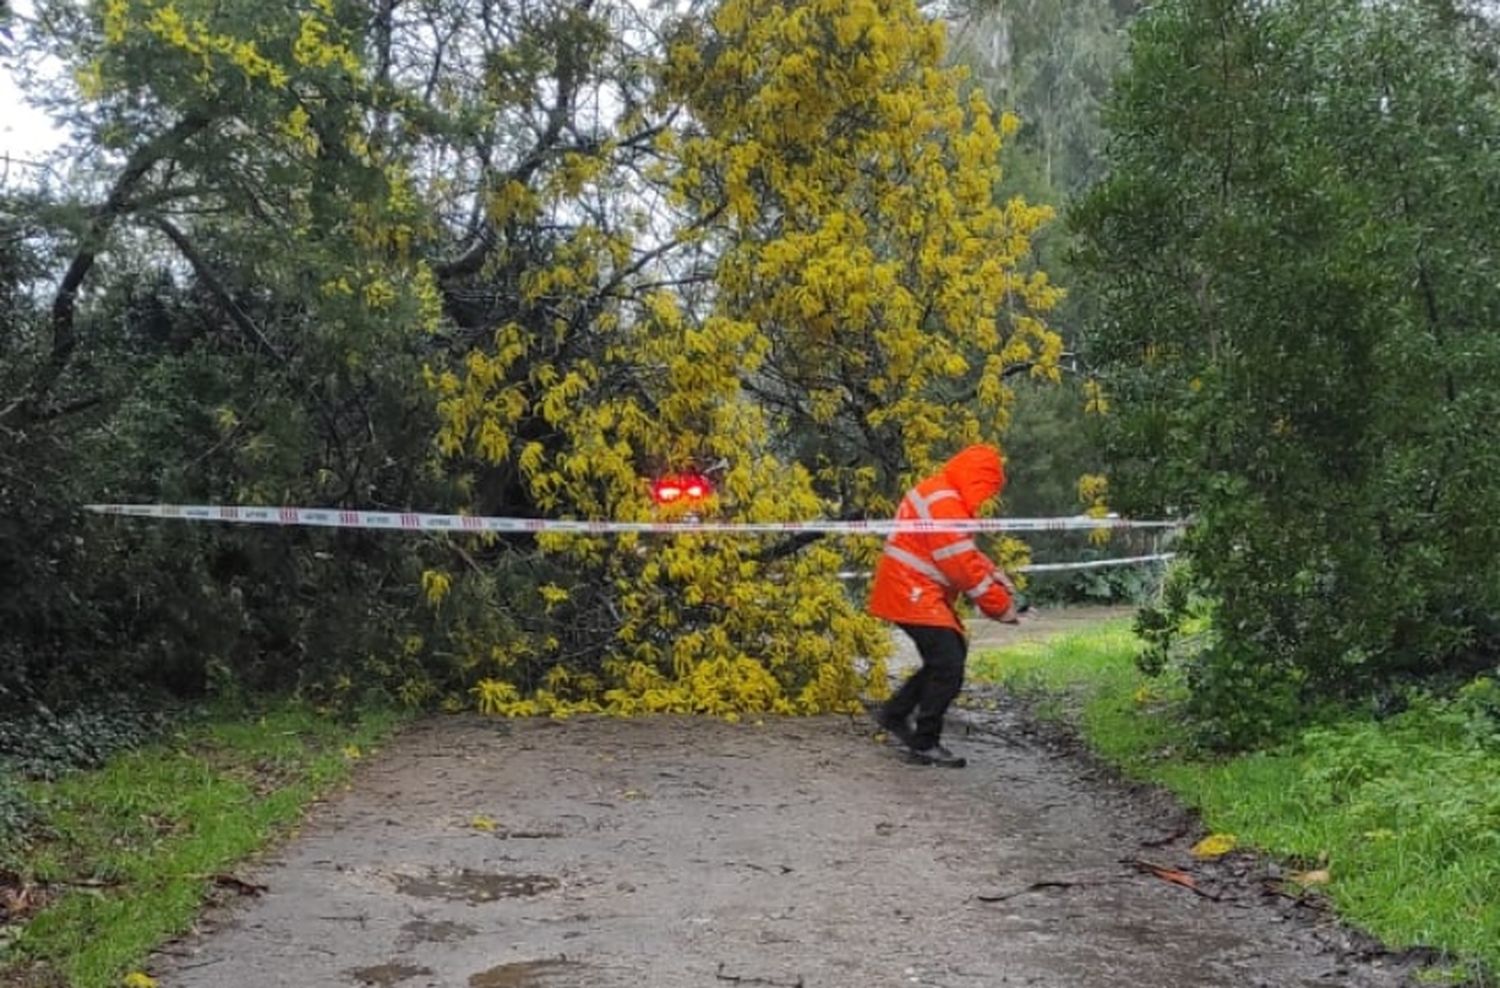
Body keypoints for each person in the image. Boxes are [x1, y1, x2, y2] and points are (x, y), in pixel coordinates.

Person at [867, 444, 1020, 768]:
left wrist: (993, 573)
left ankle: (895, 714)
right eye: (990, 488)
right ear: (981, 479)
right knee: (948, 663)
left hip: (908, 589)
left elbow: (960, 552)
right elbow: (960, 565)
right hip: (911, 591)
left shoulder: (943, 494)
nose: (988, 496)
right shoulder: (946, 502)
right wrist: (999, 606)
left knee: (946, 658)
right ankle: (924, 742)